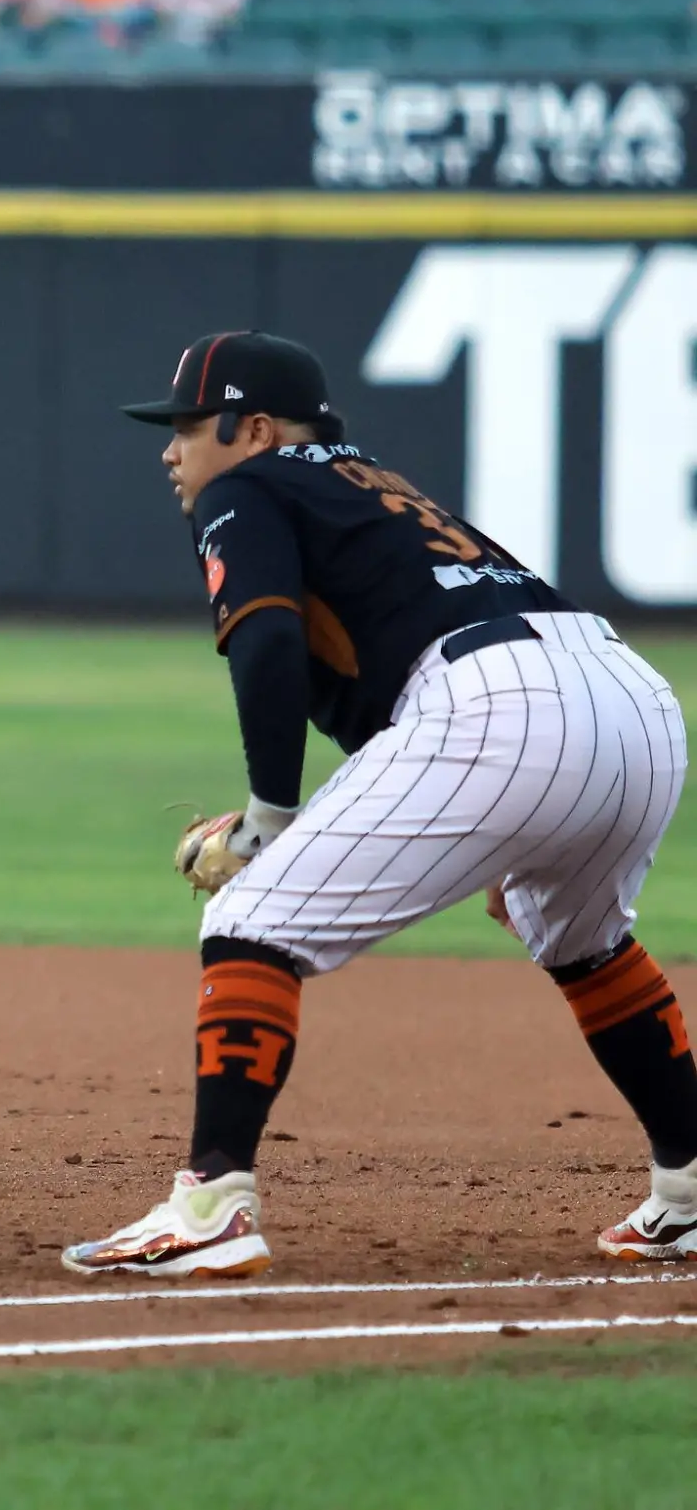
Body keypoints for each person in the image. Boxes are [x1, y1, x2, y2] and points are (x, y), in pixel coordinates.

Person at [63, 332, 693, 1277]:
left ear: (255, 428)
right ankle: (688, 1196)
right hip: (632, 695)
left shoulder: (250, 486)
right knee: (580, 938)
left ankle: (211, 1205)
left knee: (250, 919)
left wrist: (267, 820)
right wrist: (515, 835)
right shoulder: (370, 485)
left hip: (501, 706)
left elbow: (269, 646)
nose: (172, 450)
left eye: (190, 427)